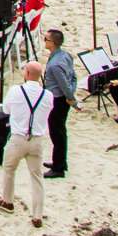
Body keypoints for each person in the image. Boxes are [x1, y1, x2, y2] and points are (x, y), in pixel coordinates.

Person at [0, 61, 55, 227]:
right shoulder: (48, 95)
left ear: (27, 73)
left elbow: (6, 109)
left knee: (9, 169)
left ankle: (7, 200)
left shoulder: (16, 91)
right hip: (36, 139)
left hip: (18, 137)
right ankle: (37, 215)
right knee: (37, 176)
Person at [41, 28, 76, 179]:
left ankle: (59, 167)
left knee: (57, 132)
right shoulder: (65, 56)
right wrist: (71, 93)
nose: (45, 41)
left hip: (58, 99)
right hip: (62, 97)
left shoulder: (55, 64)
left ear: (53, 43)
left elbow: (64, 84)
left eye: (46, 39)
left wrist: (70, 97)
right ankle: (60, 161)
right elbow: (73, 76)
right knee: (59, 131)